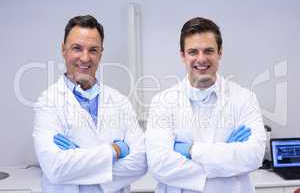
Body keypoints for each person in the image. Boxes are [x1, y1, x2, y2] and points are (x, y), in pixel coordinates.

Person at [145, 17, 266, 193]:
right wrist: (227, 152)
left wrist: (191, 150)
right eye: (193, 51)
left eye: (208, 51)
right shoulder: (162, 102)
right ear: (182, 55)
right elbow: (159, 165)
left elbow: (253, 156)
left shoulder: (245, 98)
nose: (201, 59)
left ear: (220, 52)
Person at [33, 15, 147, 193]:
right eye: (77, 48)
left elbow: (141, 162)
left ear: (101, 53)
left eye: (93, 50)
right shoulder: (48, 102)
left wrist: (78, 158)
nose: (85, 58)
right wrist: (115, 151)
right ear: (63, 50)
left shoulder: (119, 101)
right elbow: (55, 168)